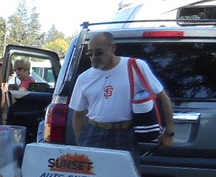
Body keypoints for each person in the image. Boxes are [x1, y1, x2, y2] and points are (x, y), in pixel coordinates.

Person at [69, 31, 175, 159]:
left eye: (99, 52)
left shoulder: (135, 66)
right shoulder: (84, 78)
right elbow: (78, 115)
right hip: (94, 133)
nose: (94, 57)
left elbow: (163, 97)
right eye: (90, 53)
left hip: (124, 134)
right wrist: (81, 141)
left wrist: (169, 133)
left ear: (113, 47)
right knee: (93, 176)